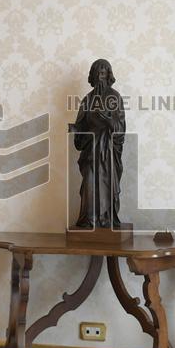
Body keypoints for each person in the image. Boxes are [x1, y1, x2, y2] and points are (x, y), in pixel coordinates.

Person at [72, 58, 125, 228]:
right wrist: (75, 131)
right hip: (91, 151)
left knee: (107, 184)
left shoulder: (114, 97)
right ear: (92, 76)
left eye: (103, 73)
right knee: (89, 183)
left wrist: (108, 120)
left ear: (108, 75)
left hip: (108, 152)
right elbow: (80, 128)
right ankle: (90, 219)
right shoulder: (87, 100)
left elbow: (121, 127)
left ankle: (107, 218)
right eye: (97, 73)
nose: (100, 77)